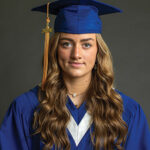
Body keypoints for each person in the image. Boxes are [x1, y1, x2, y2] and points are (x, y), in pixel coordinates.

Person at [0, 0, 150, 150]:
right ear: (55, 49)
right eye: (66, 44)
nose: (76, 54)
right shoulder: (25, 108)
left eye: (86, 44)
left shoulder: (127, 112)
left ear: (98, 50)